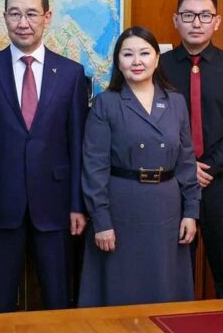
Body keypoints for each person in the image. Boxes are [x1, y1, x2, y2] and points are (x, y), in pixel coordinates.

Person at [0, 0, 88, 314]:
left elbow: (77, 144)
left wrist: (77, 205)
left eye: (31, 14)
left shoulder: (71, 74)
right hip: (0, 203)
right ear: (5, 17)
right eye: (15, 14)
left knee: (57, 298)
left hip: (55, 204)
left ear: (47, 17)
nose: (23, 23)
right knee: (0, 298)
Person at [79, 26, 200, 306]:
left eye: (144, 53)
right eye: (128, 54)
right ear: (118, 62)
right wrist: (101, 221)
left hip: (167, 208)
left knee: (163, 285)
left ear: (157, 59)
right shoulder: (106, 104)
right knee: (123, 287)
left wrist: (191, 212)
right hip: (122, 207)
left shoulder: (175, 102)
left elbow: (186, 161)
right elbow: (94, 167)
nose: (137, 61)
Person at [160, 0, 223, 299]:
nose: (196, 23)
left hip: (221, 182)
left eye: (204, 16)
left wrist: (208, 166)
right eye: (188, 15)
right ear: (176, 20)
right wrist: (185, 166)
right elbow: (153, 126)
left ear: (217, 21)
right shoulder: (160, 66)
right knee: (175, 268)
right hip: (173, 182)